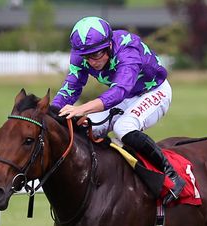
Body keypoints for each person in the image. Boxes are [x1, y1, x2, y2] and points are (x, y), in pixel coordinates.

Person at [52, 16, 185, 202]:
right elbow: (71, 88)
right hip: (126, 96)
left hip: (154, 92)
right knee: (86, 127)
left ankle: (171, 175)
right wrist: (50, 113)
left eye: (97, 54)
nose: (91, 62)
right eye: (86, 57)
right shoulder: (82, 54)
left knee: (124, 127)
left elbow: (119, 91)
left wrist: (82, 109)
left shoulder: (127, 49)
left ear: (109, 46)